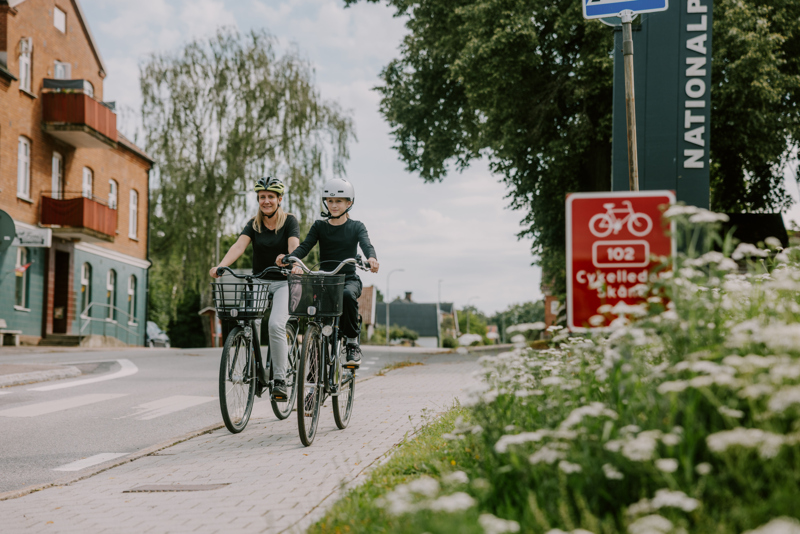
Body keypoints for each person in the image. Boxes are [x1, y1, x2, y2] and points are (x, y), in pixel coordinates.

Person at [210, 177, 300, 399]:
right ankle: (255, 372)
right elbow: (239, 245)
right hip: (259, 281)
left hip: (282, 282)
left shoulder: (289, 221)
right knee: (250, 323)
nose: (266, 201)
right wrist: (222, 265)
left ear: (279, 199)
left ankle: (279, 379)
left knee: (276, 325)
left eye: (270, 197)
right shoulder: (254, 223)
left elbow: (294, 246)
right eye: (262, 197)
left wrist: (293, 262)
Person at [277, 178, 379, 367]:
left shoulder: (357, 226)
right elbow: (305, 247)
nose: (333, 205)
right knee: (316, 321)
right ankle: (311, 382)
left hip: (348, 279)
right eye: (330, 201)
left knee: (348, 295)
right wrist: (290, 257)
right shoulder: (319, 226)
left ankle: (351, 342)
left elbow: (366, 244)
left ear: (349, 203)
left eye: (339, 201)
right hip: (324, 280)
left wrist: (371, 258)